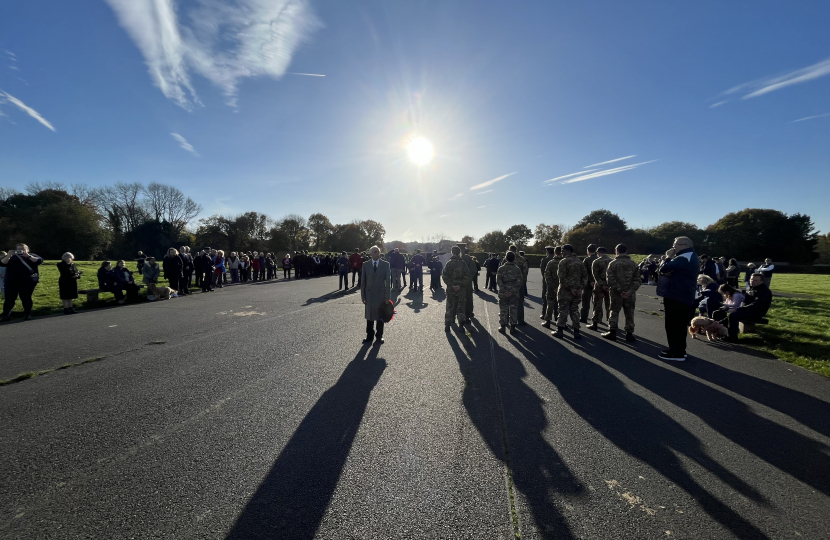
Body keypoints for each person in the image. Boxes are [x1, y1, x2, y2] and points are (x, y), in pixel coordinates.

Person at [656, 236, 700, 361]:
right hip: (681, 294)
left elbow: (663, 269)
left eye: (676, 244)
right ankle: (678, 349)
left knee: (673, 324)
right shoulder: (688, 256)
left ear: (685, 245)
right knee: (678, 325)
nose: (673, 247)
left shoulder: (684, 257)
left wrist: (668, 257)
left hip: (677, 295)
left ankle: (677, 353)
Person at [602, 244, 641, 342]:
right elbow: (638, 280)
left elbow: (610, 279)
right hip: (630, 294)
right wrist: (630, 291)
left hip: (616, 293)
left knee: (614, 311)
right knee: (629, 313)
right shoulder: (633, 264)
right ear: (626, 251)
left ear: (617, 251)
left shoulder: (613, 264)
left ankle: (612, 332)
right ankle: (629, 333)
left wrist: (619, 290)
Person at [1, 243, 44, 321]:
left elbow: (39, 261)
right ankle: (5, 315)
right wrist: (8, 256)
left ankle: (27, 313)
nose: (21, 251)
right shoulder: (12, 257)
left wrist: (28, 256)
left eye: (23, 249)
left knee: (26, 298)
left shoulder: (32, 256)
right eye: (19, 249)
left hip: (27, 281)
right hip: (12, 282)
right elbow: (2, 263)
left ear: (27, 250)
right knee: (9, 299)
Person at [552, 244, 588, 339]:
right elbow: (585, 277)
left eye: (563, 250)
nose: (561, 252)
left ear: (567, 251)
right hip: (577, 292)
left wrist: (571, 288)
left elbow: (562, 278)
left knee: (563, 310)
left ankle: (560, 330)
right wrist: (580, 288)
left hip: (565, 291)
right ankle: (576, 332)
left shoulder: (563, 262)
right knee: (575, 310)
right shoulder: (579, 262)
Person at [725, 273, 772, 342]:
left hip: (756, 313)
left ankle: (733, 337)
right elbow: (744, 302)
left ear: (761, 281)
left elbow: (755, 305)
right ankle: (722, 332)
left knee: (733, 315)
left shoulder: (764, 291)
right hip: (746, 310)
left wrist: (737, 309)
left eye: (755, 280)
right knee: (722, 311)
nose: (752, 281)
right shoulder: (750, 288)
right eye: (751, 279)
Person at [360, 246, 390, 344]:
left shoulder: (385, 265)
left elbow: (388, 282)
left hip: (380, 294)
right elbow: (363, 281)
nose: (377, 254)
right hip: (369, 294)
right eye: (375, 252)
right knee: (369, 316)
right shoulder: (365, 264)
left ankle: (379, 336)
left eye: (378, 252)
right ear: (371, 254)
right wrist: (363, 296)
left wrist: (387, 297)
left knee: (380, 316)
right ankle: (369, 336)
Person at [442, 245, 470, 330]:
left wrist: (451, 285)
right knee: (461, 307)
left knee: (449, 306)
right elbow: (468, 276)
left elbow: (444, 276)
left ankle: (447, 325)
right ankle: (461, 325)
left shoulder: (449, 263)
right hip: (461, 289)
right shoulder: (463, 263)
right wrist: (460, 285)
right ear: (459, 253)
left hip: (451, 289)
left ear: (452, 252)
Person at [497, 251, 523, 333]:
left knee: (503, 310)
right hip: (514, 293)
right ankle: (513, 328)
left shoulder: (501, 268)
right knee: (513, 310)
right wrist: (512, 291)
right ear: (514, 258)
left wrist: (504, 290)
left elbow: (498, 281)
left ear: (505, 258)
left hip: (503, 292)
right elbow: (519, 281)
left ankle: (503, 327)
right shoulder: (517, 269)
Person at [501, 246, 528, 324]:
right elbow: (525, 272)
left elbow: (501, 271)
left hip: (507, 285)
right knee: (519, 302)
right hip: (519, 284)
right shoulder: (522, 259)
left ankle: (506, 319)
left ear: (509, 250)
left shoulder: (505, 259)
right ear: (516, 250)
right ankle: (520, 320)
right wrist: (522, 283)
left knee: (506, 302)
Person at [587, 246, 612, 331]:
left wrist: (602, 284)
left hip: (599, 286)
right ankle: (611, 323)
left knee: (597, 304)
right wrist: (608, 285)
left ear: (599, 253)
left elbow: (595, 275)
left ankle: (595, 323)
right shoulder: (612, 261)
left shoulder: (596, 261)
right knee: (609, 305)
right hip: (610, 286)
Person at [541, 246, 563, 328]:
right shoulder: (565, 261)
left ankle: (547, 320)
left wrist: (553, 286)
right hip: (562, 286)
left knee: (549, 303)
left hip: (551, 285)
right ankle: (560, 320)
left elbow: (545, 273)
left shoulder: (549, 261)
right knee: (562, 304)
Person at [580, 244, 598, 323]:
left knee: (586, 302)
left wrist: (590, 281)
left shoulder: (587, 260)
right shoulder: (599, 259)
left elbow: (584, 273)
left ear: (588, 250)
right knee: (597, 302)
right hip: (598, 283)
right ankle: (597, 318)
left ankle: (584, 317)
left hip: (588, 284)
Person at [459, 244, 476, 320]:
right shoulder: (468, 258)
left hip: (458, 282)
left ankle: (459, 314)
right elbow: (473, 270)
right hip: (467, 283)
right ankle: (469, 313)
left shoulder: (455, 258)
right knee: (468, 298)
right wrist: (468, 279)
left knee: (458, 298)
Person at [539, 247, 556, 320]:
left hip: (547, 281)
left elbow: (543, 272)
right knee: (557, 299)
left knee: (546, 297)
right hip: (557, 281)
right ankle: (556, 315)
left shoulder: (545, 260)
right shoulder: (560, 260)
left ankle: (544, 314)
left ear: (547, 252)